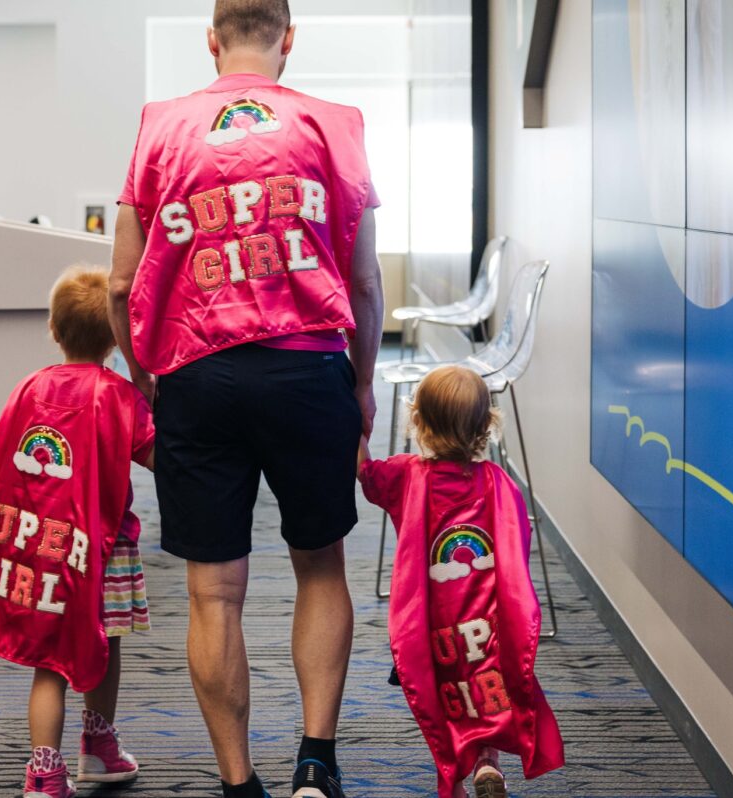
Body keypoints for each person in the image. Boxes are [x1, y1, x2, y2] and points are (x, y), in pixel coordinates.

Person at [107, 2, 384, 796]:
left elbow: (122, 283)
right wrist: (362, 384)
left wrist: (147, 376)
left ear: (212, 41)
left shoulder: (161, 126)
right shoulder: (336, 124)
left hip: (199, 377)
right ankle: (316, 765)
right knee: (320, 566)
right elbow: (364, 282)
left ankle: (238, 784)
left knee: (213, 593)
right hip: (307, 371)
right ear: (288, 40)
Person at [0, 266, 154, 798]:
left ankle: (49, 768)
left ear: (53, 330)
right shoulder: (118, 396)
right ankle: (96, 747)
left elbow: (2, 465)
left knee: (50, 658)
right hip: (103, 547)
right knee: (103, 641)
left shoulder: (29, 387)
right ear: (115, 336)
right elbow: (160, 459)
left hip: (42, 542)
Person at [357, 367, 564, 798]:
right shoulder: (499, 483)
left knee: (444, 697)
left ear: (418, 422)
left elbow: (365, 474)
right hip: (486, 623)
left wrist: (354, 420)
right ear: (487, 426)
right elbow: (516, 546)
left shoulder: (404, 476)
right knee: (486, 692)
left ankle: (457, 765)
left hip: (432, 624)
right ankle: (488, 763)